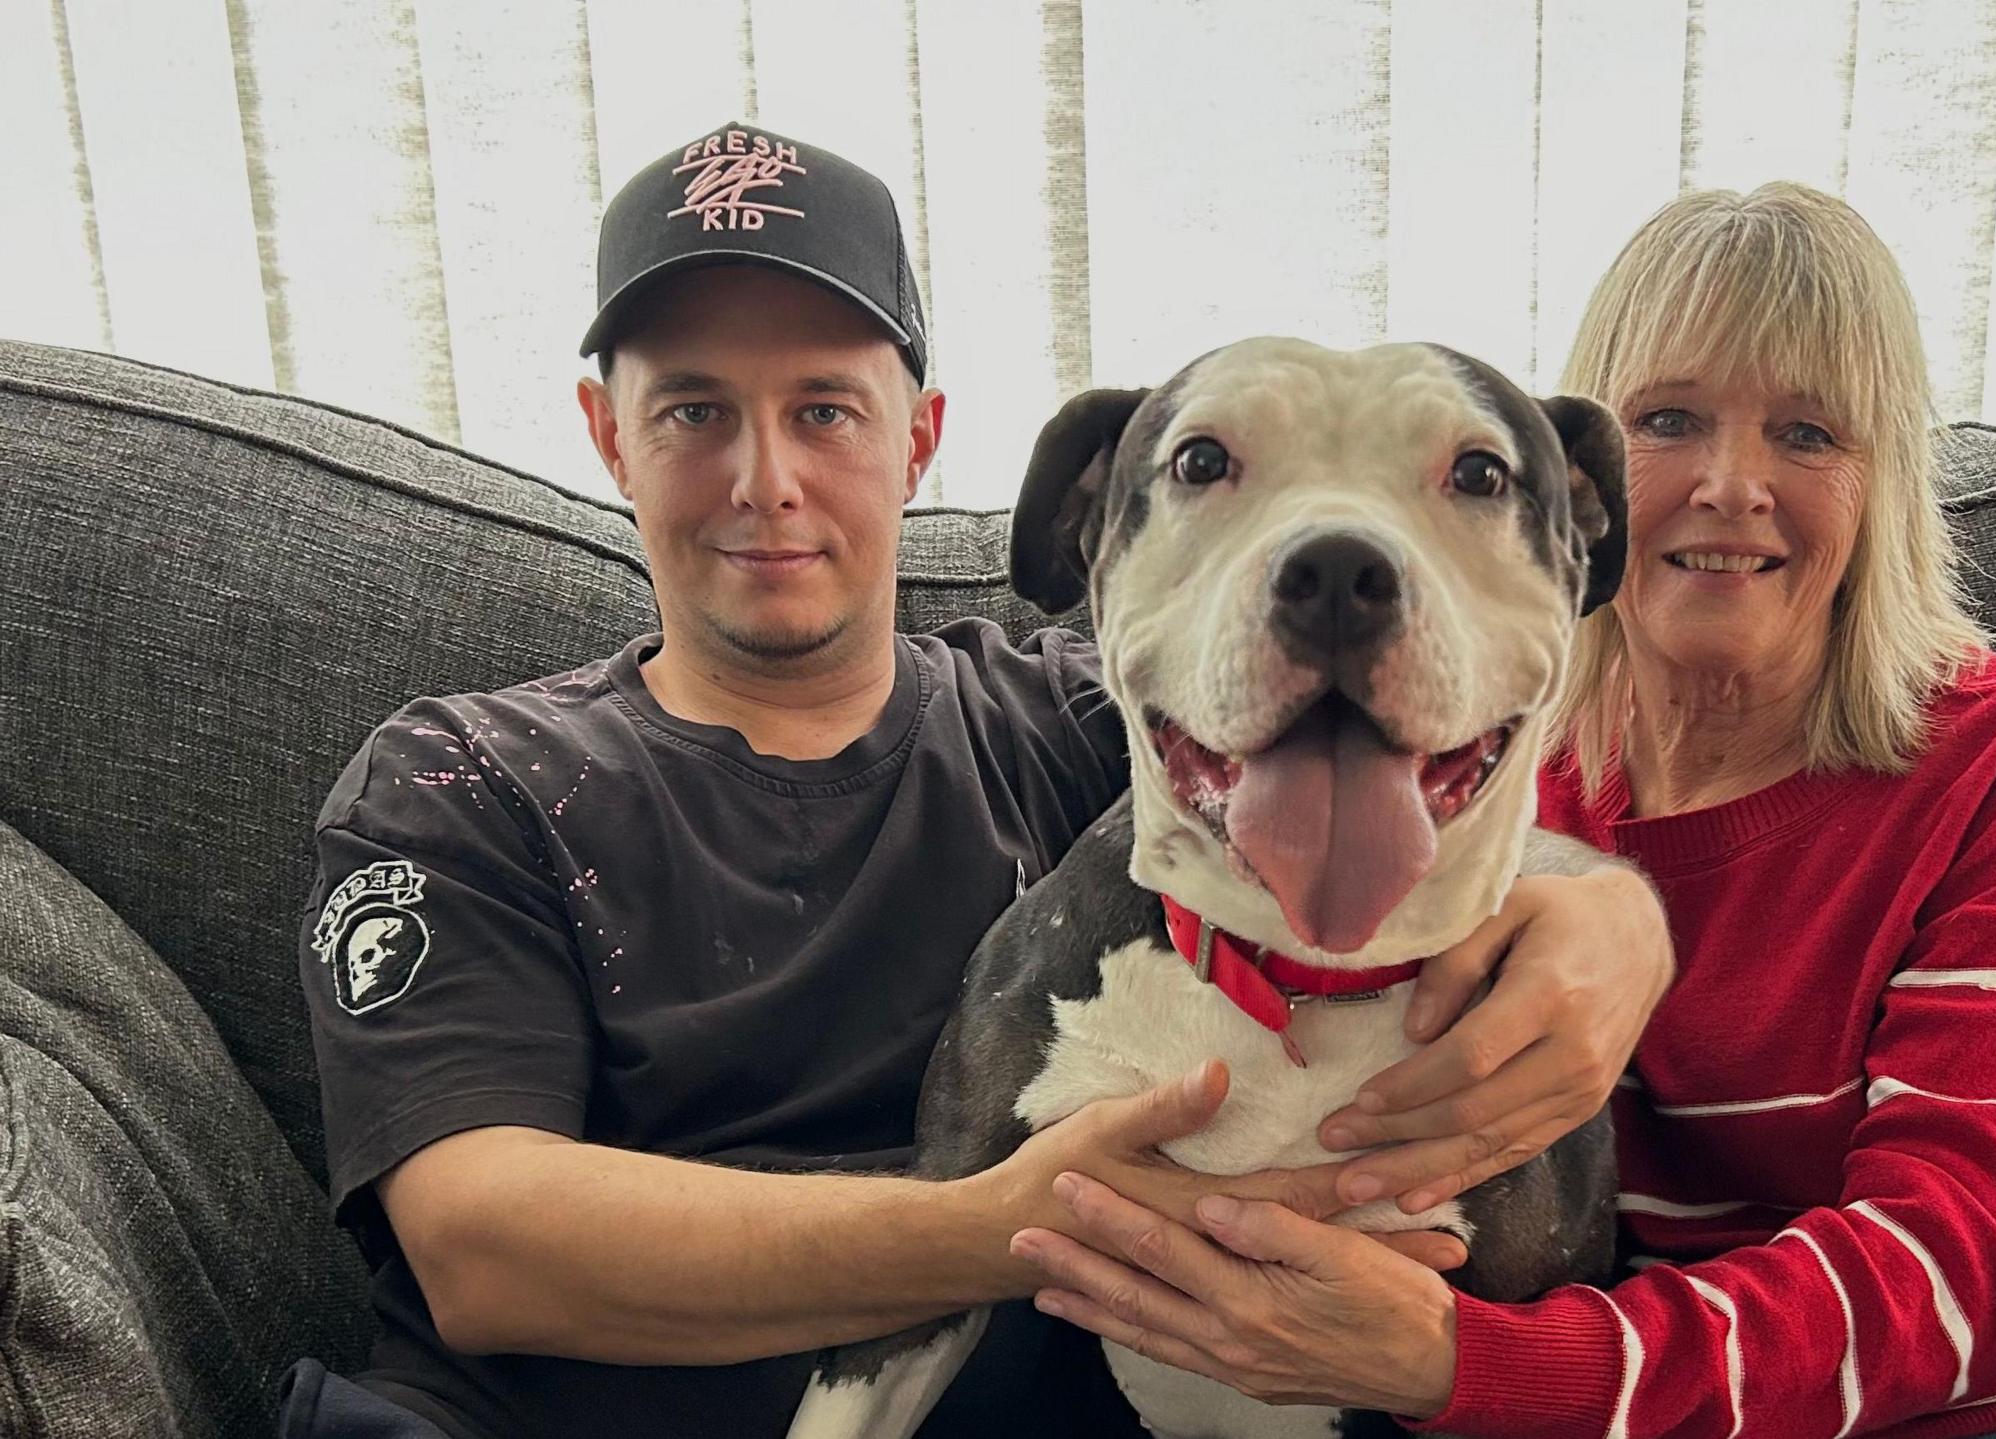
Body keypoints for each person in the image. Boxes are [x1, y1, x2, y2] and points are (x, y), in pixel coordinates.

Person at [280, 121, 1672, 1439]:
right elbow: (484, 1248)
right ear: (606, 434)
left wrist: (1608, 919)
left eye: (825, 408)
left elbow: (1377, 747)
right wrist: (1022, 1218)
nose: (765, 477)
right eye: (695, 409)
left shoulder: (1071, 723)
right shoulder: (465, 774)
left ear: (922, 435)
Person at [1010, 182, 1996, 1439]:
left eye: (1808, 434)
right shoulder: (1479, 781)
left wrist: (1468, 1365)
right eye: (1673, 417)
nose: (1732, 484)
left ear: (1882, 482)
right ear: (1592, 496)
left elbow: (1954, 1273)